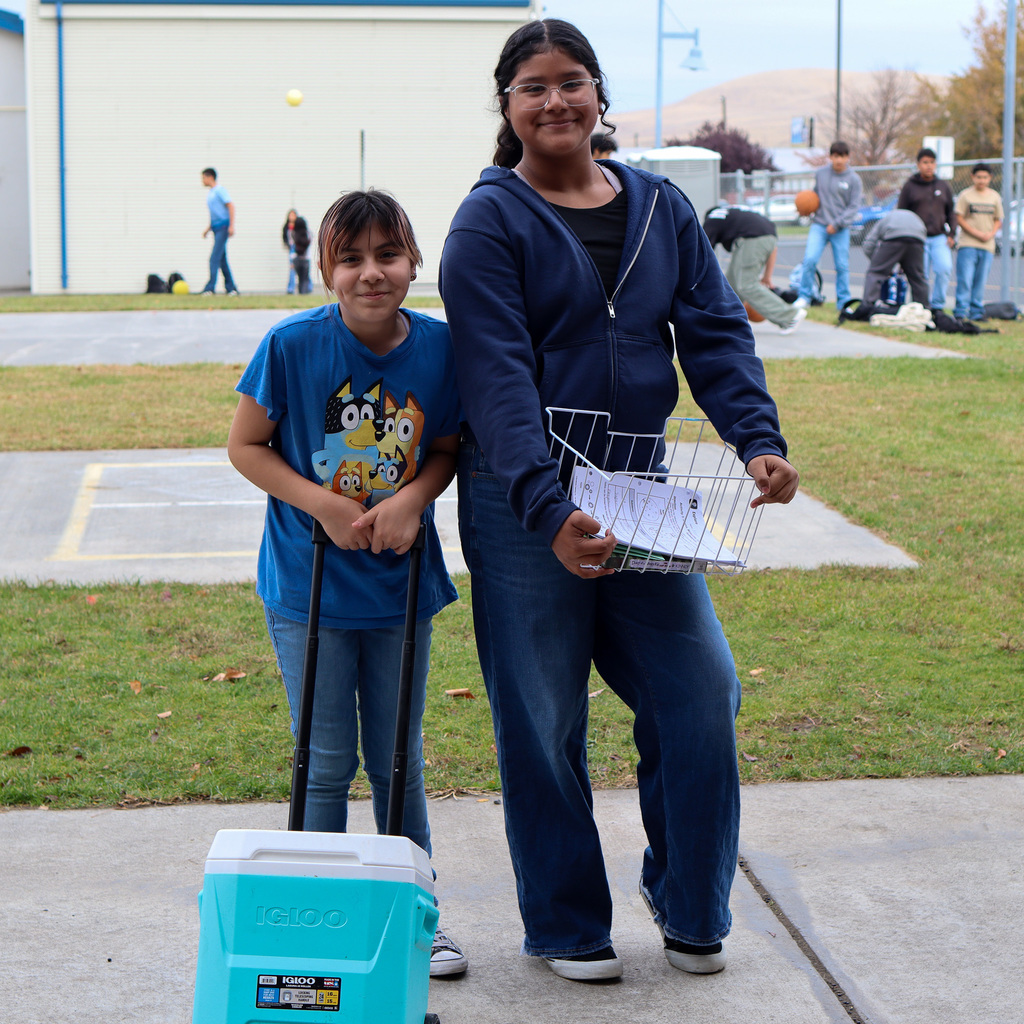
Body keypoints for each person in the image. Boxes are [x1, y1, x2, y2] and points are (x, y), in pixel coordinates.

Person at [439, 19, 798, 983]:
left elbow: (716, 332)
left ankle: (689, 902)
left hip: (640, 487)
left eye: (572, 82)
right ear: (507, 106)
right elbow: (498, 379)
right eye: (532, 87)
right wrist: (550, 512)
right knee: (543, 717)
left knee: (699, 693)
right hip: (526, 510)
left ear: (599, 95)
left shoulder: (661, 207)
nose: (555, 100)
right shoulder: (488, 222)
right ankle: (564, 924)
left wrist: (757, 439)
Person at [227, 188, 468, 977]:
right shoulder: (292, 345)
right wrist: (325, 504)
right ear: (326, 268)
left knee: (399, 760)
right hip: (310, 587)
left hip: (400, 590)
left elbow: (444, 448)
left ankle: (414, 916)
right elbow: (248, 447)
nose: (372, 274)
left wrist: (411, 499)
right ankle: (319, 912)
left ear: (413, 262)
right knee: (323, 760)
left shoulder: (438, 349)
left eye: (388, 256)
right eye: (352, 259)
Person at [703, 205, 806, 333]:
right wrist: (767, 276)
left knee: (746, 285)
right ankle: (729, 321)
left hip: (751, 239)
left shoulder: (713, 218)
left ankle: (790, 316)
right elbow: (773, 246)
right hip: (766, 237)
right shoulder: (734, 213)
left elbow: (702, 250)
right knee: (732, 284)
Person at [793, 141, 862, 311]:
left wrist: (837, 224)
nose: (839, 160)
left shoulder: (854, 179)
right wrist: (805, 208)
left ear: (848, 157)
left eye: (842, 156)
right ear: (830, 157)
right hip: (820, 226)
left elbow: (853, 207)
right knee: (809, 260)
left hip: (840, 229)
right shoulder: (821, 174)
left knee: (842, 266)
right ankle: (804, 297)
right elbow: (813, 198)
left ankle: (843, 302)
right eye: (835, 156)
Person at [897, 147, 955, 310]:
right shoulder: (909, 186)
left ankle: (937, 306)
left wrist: (951, 234)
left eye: (931, 162)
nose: (928, 166)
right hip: (916, 239)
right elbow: (901, 213)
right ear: (918, 164)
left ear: (935, 164)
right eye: (925, 162)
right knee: (918, 275)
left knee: (944, 268)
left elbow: (951, 212)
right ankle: (919, 306)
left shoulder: (943, 186)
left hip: (938, 238)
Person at [954, 162, 1003, 321]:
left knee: (980, 281)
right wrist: (976, 233)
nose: (981, 180)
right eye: (978, 177)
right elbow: (959, 217)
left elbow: (998, 219)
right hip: (968, 244)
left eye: (985, 177)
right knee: (965, 280)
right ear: (973, 177)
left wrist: (991, 234)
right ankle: (960, 312)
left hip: (987, 245)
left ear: (990, 178)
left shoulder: (994, 196)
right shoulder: (965, 195)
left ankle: (976, 312)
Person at [861, 209, 929, 306]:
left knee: (875, 273)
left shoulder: (885, 219)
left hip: (894, 237)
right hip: (917, 238)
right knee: (917, 277)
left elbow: (868, 245)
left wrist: (877, 263)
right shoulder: (914, 216)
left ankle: (867, 306)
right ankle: (923, 308)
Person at [199, 168, 239, 295]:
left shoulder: (219, 191)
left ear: (210, 177)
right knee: (222, 260)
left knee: (214, 258)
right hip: (216, 228)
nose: (202, 181)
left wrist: (231, 226)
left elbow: (231, 206)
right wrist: (208, 229)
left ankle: (210, 288)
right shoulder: (211, 193)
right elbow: (215, 213)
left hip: (223, 227)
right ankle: (231, 288)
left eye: (204, 178)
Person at [291, 215, 314, 295]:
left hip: (296, 258)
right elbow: (310, 241)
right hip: (305, 258)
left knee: (300, 278)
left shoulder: (293, 234)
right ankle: (304, 293)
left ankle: (300, 293)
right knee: (305, 278)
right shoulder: (307, 234)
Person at [282, 208, 298, 293]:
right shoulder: (286, 227)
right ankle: (290, 288)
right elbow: (284, 237)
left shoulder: (298, 226)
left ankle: (305, 287)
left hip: (298, 248)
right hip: (291, 248)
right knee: (292, 268)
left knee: (300, 268)